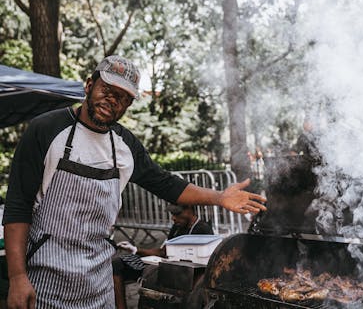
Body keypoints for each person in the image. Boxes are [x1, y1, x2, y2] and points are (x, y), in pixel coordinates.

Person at [2, 55, 266, 309]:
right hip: (46, 280)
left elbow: (166, 184)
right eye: (106, 89)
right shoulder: (45, 129)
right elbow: (18, 207)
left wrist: (219, 197)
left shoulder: (125, 145)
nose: (111, 100)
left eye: (122, 97)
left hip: (98, 282)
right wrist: (17, 277)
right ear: (89, 85)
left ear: (127, 105)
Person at [112, 204, 213, 309]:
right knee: (117, 263)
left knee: (152, 274)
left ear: (190, 210)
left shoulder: (203, 229)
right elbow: (162, 251)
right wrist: (136, 250)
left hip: (179, 269)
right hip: (162, 262)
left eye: (177, 214)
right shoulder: (177, 227)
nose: (173, 218)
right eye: (172, 214)